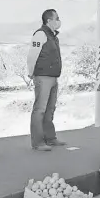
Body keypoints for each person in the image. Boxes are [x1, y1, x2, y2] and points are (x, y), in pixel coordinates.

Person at [27, 9, 66, 151]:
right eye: (57, 18)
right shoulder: (40, 34)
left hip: (53, 76)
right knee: (40, 109)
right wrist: (31, 73)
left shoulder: (53, 36)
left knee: (50, 109)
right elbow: (32, 55)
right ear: (49, 21)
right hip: (42, 77)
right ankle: (38, 142)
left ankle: (50, 138)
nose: (59, 21)